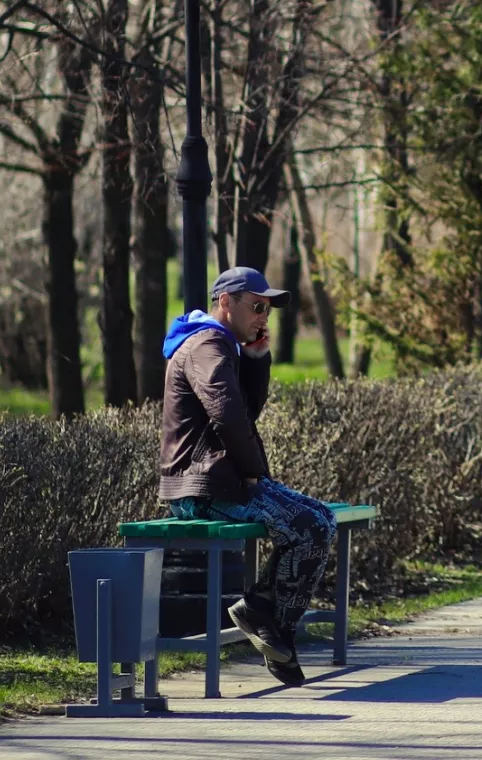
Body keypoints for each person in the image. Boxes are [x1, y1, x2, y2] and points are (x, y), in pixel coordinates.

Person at [161, 266, 332, 688]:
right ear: (226, 302)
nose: (263, 317)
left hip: (220, 479)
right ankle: (270, 627)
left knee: (323, 519)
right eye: (256, 307)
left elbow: (245, 411)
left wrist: (257, 358)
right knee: (309, 527)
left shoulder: (223, 346)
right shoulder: (206, 345)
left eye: (268, 310)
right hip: (200, 487)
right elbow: (227, 415)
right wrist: (255, 474)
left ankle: (265, 619)